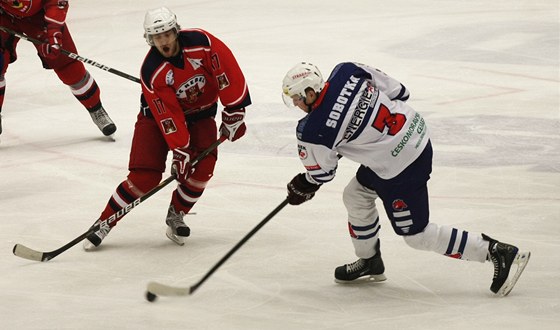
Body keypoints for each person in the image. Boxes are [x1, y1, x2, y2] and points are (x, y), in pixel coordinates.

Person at [281, 62, 531, 296]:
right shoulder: (348, 70)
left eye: (296, 99)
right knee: (356, 195)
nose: (296, 105)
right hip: (416, 135)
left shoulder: (313, 130)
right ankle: (370, 260)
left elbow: (323, 173)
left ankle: (496, 252)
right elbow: (400, 92)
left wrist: (304, 185)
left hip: (400, 168)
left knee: (417, 236)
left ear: (310, 92)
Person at [83, 7, 251, 250]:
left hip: (201, 114)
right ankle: (105, 221)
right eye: (157, 36)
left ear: (175, 31)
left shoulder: (202, 43)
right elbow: (168, 115)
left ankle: (177, 214)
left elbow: (226, 70)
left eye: (167, 34)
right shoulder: (152, 71)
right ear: (150, 39)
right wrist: (181, 150)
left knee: (202, 169)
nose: (163, 41)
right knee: (145, 177)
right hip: (155, 119)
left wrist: (235, 108)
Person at [0, 0, 116, 137]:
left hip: (40, 16)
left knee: (69, 67)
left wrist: (54, 34)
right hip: (3, 16)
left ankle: (96, 109)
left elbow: (56, 3)